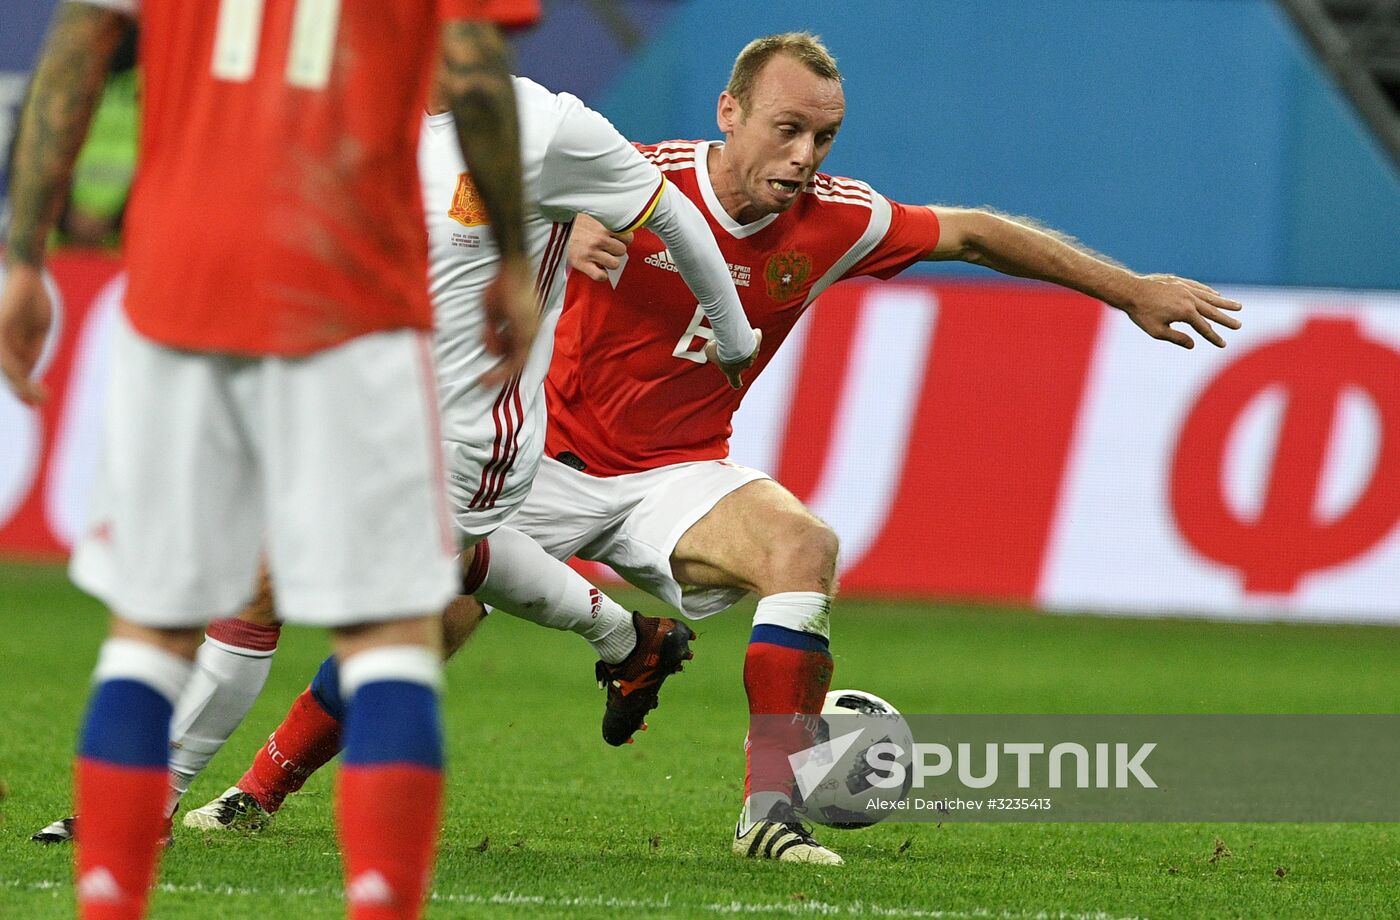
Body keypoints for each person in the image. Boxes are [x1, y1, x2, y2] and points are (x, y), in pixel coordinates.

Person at [67, 30, 1244, 869]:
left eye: (821, 133)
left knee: (802, 543)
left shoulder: (838, 218)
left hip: (674, 474)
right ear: (730, 115)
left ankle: (767, 811)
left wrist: (1126, 287)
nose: (801, 153)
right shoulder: (629, 174)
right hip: (539, 460)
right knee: (419, 624)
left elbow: (980, 231)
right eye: (785, 127)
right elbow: (554, 188)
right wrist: (567, 225)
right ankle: (257, 792)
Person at [33, 70, 762, 848]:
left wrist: (736, 334)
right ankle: (629, 641)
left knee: (261, 583)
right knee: (447, 562)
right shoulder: (357, 111)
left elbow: (673, 213)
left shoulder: (544, 128)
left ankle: (146, 808)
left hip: (472, 435)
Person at [0, 1, 539, 918]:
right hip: (352, 288)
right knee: (388, 637)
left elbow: (80, 44)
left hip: (180, 285)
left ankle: (108, 901)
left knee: (152, 630)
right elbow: (475, 66)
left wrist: (23, 254)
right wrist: (515, 257)